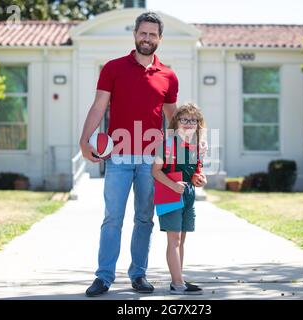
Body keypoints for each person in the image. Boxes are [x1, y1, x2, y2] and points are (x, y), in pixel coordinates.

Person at [79, 12, 178, 297]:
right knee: (113, 218)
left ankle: (139, 274)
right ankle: (104, 277)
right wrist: (84, 139)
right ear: (135, 34)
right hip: (119, 158)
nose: (147, 39)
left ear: (160, 38)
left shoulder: (168, 76)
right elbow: (99, 106)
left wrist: (185, 152)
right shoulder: (112, 68)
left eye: (153, 34)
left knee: (145, 219)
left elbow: (173, 119)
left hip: (152, 160)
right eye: (143, 33)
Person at [152, 103, 207, 295]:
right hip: (169, 194)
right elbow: (156, 171)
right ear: (176, 122)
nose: (189, 123)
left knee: (181, 241)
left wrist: (199, 178)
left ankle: (179, 279)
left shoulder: (195, 147)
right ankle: (177, 283)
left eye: (193, 120)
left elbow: (193, 172)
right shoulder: (167, 144)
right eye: (185, 119)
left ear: (199, 124)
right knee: (173, 240)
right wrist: (173, 186)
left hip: (187, 195)